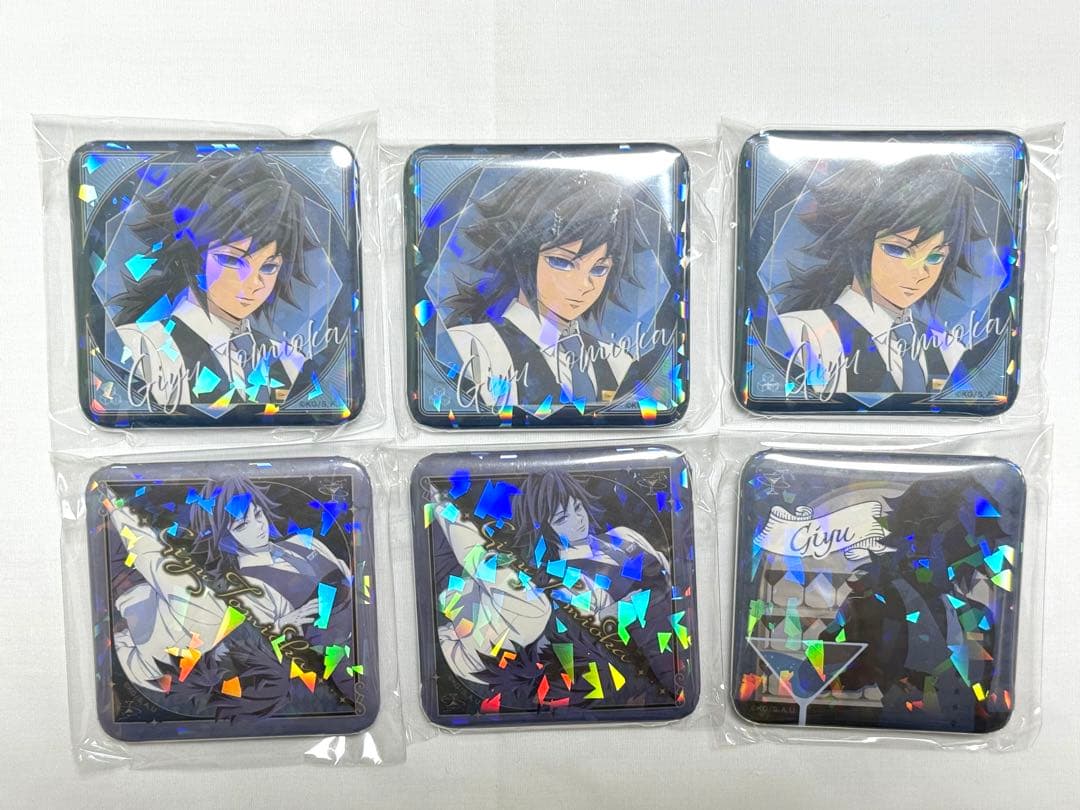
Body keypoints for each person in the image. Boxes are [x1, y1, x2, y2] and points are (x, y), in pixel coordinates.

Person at [430, 469, 680, 710]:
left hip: (672, 648)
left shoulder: (623, 536)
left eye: (577, 507)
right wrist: (639, 603)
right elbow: (602, 630)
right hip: (643, 662)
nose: (577, 519)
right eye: (562, 518)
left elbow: (667, 577)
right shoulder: (561, 581)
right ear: (545, 529)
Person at [105, 475, 350, 701]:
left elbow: (349, 581)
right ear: (224, 536)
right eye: (242, 525)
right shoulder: (246, 589)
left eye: (258, 514)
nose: (258, 526)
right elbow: (260, 653)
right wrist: (283, 626)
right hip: (327, 665)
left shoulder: (304, 542)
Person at [112, 154, 314, 410]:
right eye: (231, 260)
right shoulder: (140, 347)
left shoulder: (287, 361)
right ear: (193, 255)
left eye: (268, 266)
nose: (253, 283)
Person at [775, 156, 982, 398]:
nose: (918, 273)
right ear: (858, 242)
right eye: (898, 250)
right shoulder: (802, 332)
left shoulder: (948, 348)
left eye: (935, 257)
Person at [443, 168, 642, 411]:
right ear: (523, 254)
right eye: (562, 262)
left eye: (599, 269)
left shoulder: (617, 361)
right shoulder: (473, 347)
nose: (582, 285)